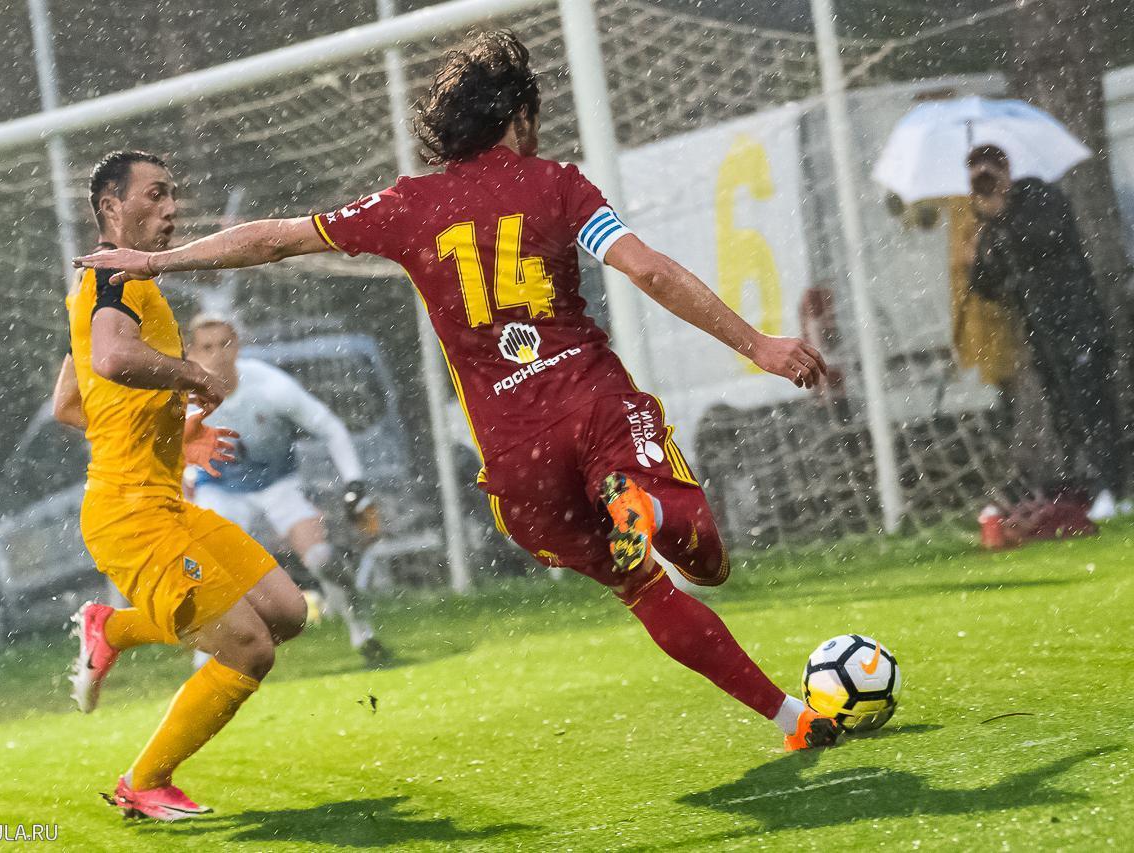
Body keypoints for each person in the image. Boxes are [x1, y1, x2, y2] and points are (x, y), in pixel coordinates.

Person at [77, 33, 838, 752]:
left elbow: (276, 237)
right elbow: (650, 271)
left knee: (646, 592)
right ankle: (644, 504)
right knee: (706, 563)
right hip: (593, 409)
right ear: (519, 116)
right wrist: (759, 345)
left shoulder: (410, 206)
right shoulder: (558, 185)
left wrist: (163, 262)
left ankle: (794, 718)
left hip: (518, 462)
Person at [53, 150, 309, 820]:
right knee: (248, 647)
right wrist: (192, 374)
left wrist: (176, 437)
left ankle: (112, 628)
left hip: (164, 504)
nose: (171, 209)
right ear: (111, 207)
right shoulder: (109, 282)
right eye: (156, 195)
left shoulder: (113, 287)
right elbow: (114, 358)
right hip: (129, 517)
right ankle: (143, 782)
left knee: (285, 611)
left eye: (172, 196)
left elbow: (70, 403)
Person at [183, 313, 393, 667]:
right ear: (191, 353)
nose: (217, 355)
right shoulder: (183, 398)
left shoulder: (270, 386)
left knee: (321, 559)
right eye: (207, 347)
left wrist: (354, 484)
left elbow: (330, 427)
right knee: (210, 569)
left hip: (278, 483)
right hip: (219, 489)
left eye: (225, 344)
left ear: (238, 346)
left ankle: (361, 626)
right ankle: (205, 664)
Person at [966, 144, 1126, 519]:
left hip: (1077, 322)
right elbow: (987, 286)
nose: (986, 184)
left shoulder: (1040, 197)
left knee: (1093, 408)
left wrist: (1002, 215)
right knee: (1065, 415)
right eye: (977, 179)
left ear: (1006, 170)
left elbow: (1046, 237)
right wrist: (977, 254)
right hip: (1041, 335)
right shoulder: (990, 223)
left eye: (989, 174)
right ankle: (1088, 488)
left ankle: (1113, 490)